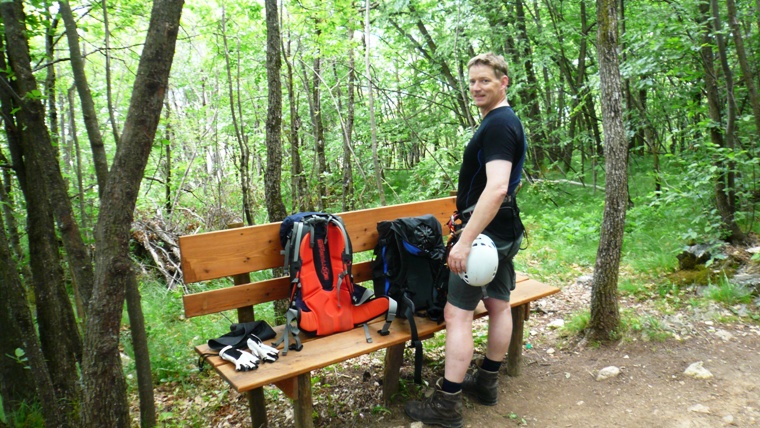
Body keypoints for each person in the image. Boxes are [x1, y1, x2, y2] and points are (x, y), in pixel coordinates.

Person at [405, 52, 527, 428]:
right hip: (505, 231)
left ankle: (447, 405)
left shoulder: (498, 125)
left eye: (484, 81)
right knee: (499, 304)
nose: (476, 87)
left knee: (456, 315)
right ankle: (486, 383)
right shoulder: (507, 122)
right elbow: (510, 182)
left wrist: (464, 241)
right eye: (472, 81)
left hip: (484, 237)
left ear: (503, 81)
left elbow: (497, 188)